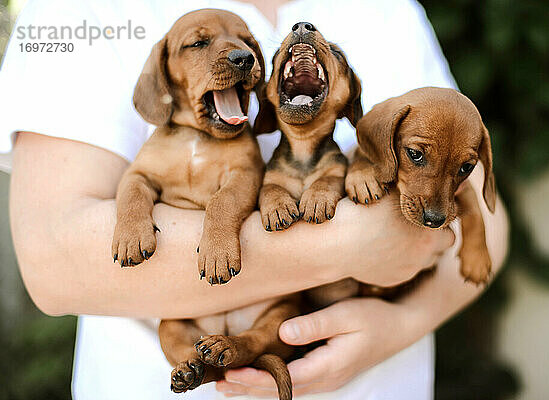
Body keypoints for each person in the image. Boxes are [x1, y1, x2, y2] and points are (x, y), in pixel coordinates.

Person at [1, 0, 508, 399]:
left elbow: (482, 208)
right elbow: (51, 258)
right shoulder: (79, 10)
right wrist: (348, 246)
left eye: (248, 46)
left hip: (383, 383)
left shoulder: (393, 10)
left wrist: (402, 323)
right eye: (201, 44)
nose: (238, 53)